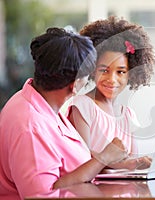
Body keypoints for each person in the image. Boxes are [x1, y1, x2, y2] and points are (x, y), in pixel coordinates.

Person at [0, 27, 129, 200]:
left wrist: (112, 160)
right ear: (75, 83)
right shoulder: (30, 126)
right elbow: (42, 195)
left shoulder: (44, 104)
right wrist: (104, 158)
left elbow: (69, 166)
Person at [67, 16, 155, 170]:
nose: (111, 79)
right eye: (104, 70)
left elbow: (133, 162)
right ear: (92, 69)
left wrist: (142, 163)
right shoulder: (82, 107)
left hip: (124, 191)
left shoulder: (128, 115)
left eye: (121, 72)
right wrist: (127, 164)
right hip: (93, 190)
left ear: (131, 74)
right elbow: (81, 158)